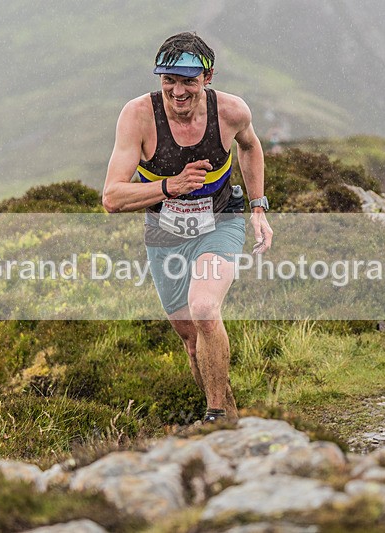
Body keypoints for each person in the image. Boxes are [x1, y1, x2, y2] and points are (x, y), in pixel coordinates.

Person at [102, 32, 272, 424]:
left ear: (207, 78)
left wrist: (258, 207)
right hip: (164, 234)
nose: (178, 92)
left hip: (220, 222)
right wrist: (170, 186)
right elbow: (111, 197)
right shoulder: (138, 117)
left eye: (188, 82)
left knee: (205, 309)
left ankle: (214, 416)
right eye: (169, 81)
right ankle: (231, 421)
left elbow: (250, 146)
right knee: (192, 341)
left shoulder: (231, 112)